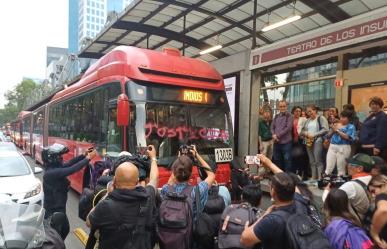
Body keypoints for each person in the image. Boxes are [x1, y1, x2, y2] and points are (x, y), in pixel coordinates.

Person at [86, 145, 158, 249]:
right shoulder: (147, 197)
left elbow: (89, 222)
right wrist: (153, 158)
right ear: (137, 181)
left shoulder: (106, 205)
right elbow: (154, 179)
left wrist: (108, 193)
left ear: (114, 181)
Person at [159, 145, 215, 248]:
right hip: (189, 242)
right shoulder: (196, 191)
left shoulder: (166, 190)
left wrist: (179, 160)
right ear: (190, 175)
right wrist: (196, 155)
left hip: (168, 241)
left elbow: (171, 181)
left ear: (174, 172)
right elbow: (211, 174)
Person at [42, 143, 97, 239]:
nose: (61, 158)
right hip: (53, 212)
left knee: (65, 229)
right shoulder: (51, 173)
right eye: (59, 156)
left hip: (60, 208)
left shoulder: (54, 168)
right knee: (57, 236)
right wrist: (88, 158)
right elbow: (71, 169)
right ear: (52, 158)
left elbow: (69, 163)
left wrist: (83, 155)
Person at [240, 172, 296, 249]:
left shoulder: (272, 220)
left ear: (273, 191)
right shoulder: (301, 206)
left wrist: (265, 215)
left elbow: (244, 239)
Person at [323, 153, 374, 226]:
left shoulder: (351, 186)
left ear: (359, 168)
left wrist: (326, 191)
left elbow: (330, 204)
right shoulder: (375, 180)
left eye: (350, 164)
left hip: (355, 224)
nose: (347, 166)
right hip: (369, 220)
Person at [301, 104, 329, 180]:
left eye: (311, 111)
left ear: (315, 110)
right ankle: (314, 177)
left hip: (318, 140)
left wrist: (314, 134)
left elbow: (326, 129)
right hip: (308, 141)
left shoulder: (321, 118)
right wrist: (305, 133)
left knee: (318, 161)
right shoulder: (307, 120)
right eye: (308, 112)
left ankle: (320, 178)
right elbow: (302, 130)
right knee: (311, 161)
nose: (309, 113)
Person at [325, 110, 356, 176]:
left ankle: (340, 183)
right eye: (341, 117)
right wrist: (333, 130)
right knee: (329, 167)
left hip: (344, 147)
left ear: (349, 118)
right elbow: (328, 136)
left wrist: (337, 130)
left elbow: (347, 137)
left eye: (344, 117)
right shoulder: (336, 124)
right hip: (332, 146)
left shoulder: (351, 126)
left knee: (341, 168)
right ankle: (325, 181)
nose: (341, 118)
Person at [359, 96, 387, 161]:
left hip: (373, 148)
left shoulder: (382, 116)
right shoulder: (372, 115)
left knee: (374, 168)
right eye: (372, 104)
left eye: (376, 104)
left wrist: (378, 147)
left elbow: (382, 133)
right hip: (365, 146)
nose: (373, 106)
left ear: (380, 105)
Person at [271, 100, 293, 172]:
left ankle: (288, 178)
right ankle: (279, 178)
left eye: (284, 106)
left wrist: (277, 136)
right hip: (276, 143)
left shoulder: (289, 116)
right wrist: (273, 135)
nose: (282, 108)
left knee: (287, 161)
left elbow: (288, 128)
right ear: (278, 107)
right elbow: (272, 127)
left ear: (286, 107)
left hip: (286, 143)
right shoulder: (276, 116)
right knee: (277, 160)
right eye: (281, 106)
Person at [370, 174, 387, 249]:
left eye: (373, 191)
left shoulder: (382, 196)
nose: (373, 195)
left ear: (382, 186)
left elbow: (384, 210)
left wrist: (374, 233)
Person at [291, 106, 309, 178]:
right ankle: (294, 173)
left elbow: (306, 129)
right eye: (296, 111)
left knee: (301, 157)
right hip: (292, 140)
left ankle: (302, 174)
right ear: (293, 112)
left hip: (301, 140)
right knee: (293, 157)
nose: (298, 112)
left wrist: (302, 134)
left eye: (299, 111)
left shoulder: (304, 119)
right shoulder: (291, 119)